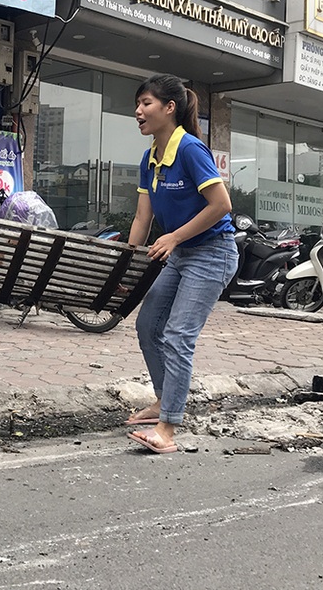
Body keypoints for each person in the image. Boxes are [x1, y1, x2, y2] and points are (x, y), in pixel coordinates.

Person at [124, 74, 238, 454]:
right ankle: (162, 399)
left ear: (169, 107)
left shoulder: (189, 149)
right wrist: (125, 265)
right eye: (138, 104)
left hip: (213, 251)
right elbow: (142, 218)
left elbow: (222, 205)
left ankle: (168, 428)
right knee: (147, 325)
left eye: (146, 104)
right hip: (182, 253)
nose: (138, 112)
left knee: (177, 335)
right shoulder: (150, 157)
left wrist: (173, 237)